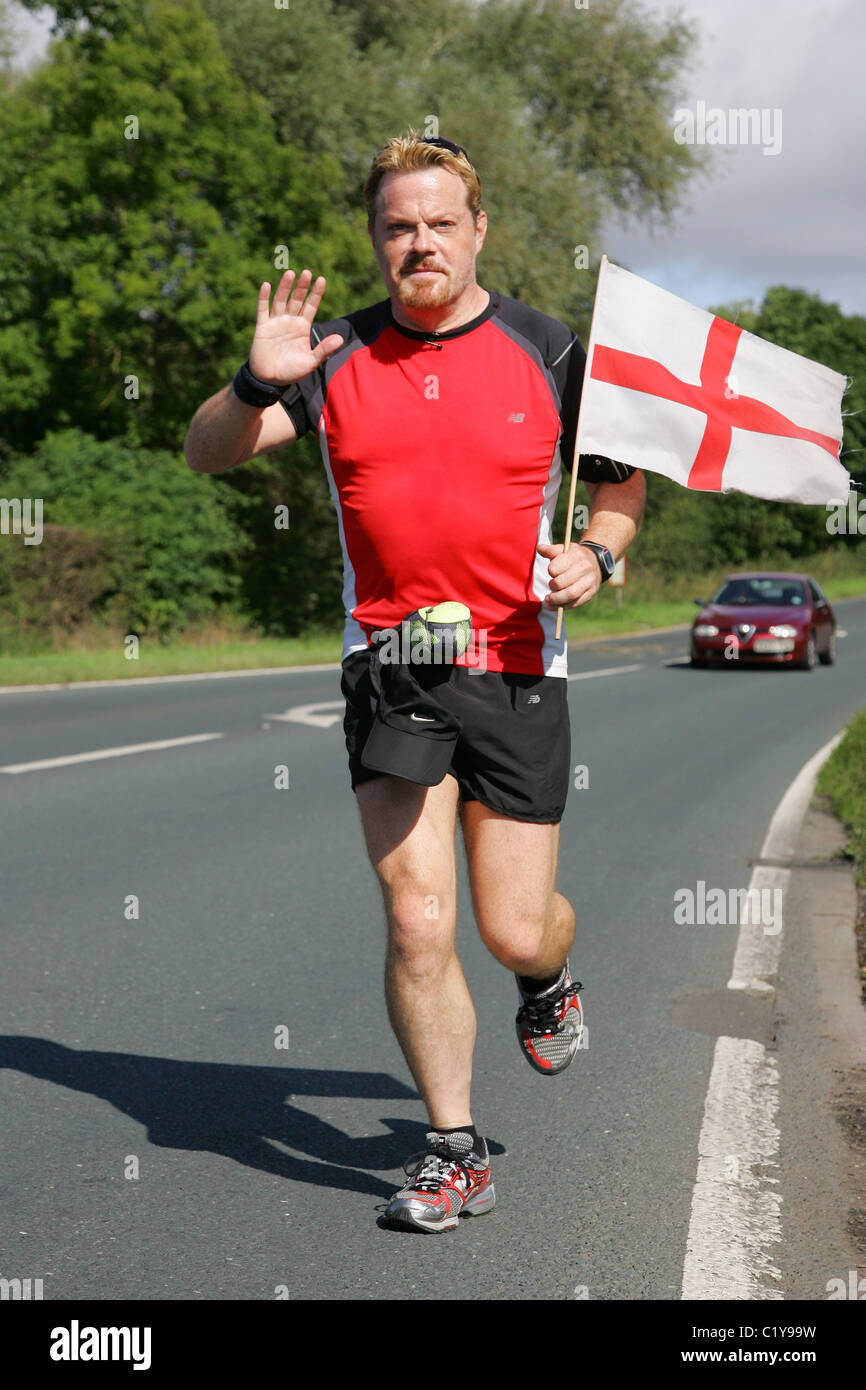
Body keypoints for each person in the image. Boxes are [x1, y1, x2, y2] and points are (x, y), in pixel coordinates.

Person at [185, 132, 645, 1233]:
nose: (419, 242)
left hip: (521, 664)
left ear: (478, 228)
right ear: (375, 239)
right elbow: (207, 451)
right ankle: (452, 1149)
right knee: (415, 915)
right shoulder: (334, 352)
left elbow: (620, 488)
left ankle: (548, 980)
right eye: (398, 226)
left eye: (440, 222)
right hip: (390, 664)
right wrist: (255, 380)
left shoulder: (547, 345)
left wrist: (600, 553)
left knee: (512, 927)